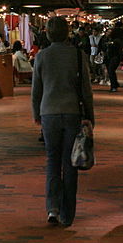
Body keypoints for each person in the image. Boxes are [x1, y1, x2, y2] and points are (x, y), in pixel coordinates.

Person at [31, 17, 94, 227]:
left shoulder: (41, 56)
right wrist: (90, 115)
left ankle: (52, 209)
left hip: (48, 112)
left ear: (48, 33)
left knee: (52, 161)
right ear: (68, 32)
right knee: (70, 163)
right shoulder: (78, 55)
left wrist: (36, 113)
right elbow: (86, 89)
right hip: (72, 112)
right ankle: (68, 214)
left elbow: (36, 90)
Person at [105, 22, 123, 92]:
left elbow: (119, 50)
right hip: (113, 57)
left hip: (113, 56)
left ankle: (114, 85)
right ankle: (114, 84)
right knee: (111, 71)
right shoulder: (119, 40)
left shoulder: (116, 41)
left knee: (111, 71)